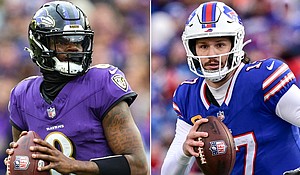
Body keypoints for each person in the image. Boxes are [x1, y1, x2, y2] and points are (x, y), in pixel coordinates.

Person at [4, 1, 148, 175]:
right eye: (63, 41)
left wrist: (74, 166)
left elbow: (139, 166)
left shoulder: (101, 83)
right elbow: (24, 162)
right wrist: (19, 165)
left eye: (79, 40)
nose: (74, 47)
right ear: (40, 44)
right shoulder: (22, 95)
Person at [161, 1, 300, 175]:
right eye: (203, 46)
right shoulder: (189, 96)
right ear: (192, 49)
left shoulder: (263, 80)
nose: (211, 55)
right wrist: (184, 152)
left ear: (235, 44)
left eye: (219, 45)